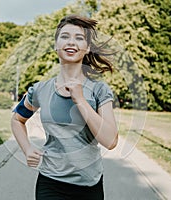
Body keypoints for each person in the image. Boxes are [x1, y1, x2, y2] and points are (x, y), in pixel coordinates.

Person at [11, 14, 118, 200]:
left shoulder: (99, 90)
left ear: (87, 48)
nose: (71, 42)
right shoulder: (39, 90)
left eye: (79, 38)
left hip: (89, 184)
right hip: (50, 182)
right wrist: (27, 149)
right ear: (56, 45)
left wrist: (81, 101)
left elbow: (110, 141)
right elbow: (17, 119)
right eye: (65, 36)